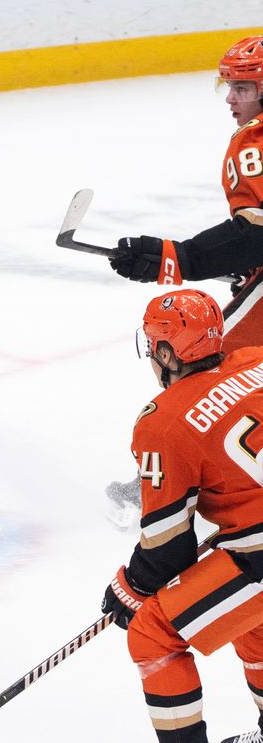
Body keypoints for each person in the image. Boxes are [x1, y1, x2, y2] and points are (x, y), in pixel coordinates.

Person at [100, 289, 263, 743]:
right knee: (247, 617)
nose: (151, 356)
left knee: (152, 631)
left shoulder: (164, 421)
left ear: (169, 353)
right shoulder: (255, 360)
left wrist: (130, 586)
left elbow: (168, 544)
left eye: (153, 346)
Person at [105, 35, 263, 527]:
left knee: (208, 358)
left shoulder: (253, 142)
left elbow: (256, 231)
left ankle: (168, 481)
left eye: (243, 87)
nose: (231, 100)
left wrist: (175, 258)